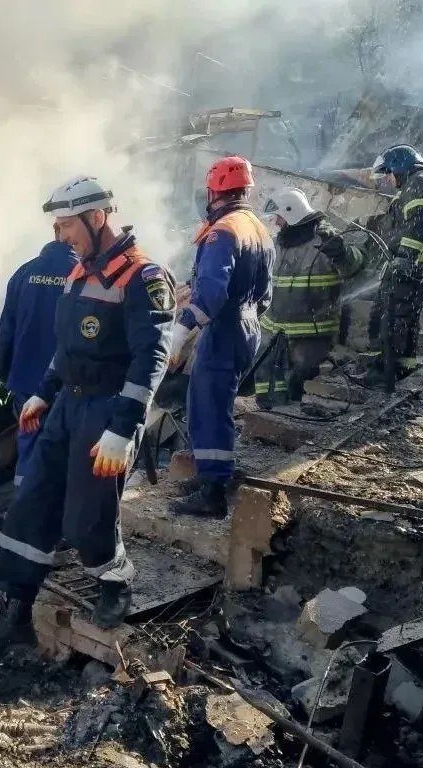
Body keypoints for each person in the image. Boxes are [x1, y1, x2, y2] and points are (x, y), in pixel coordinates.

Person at [0, 176, 176, 656]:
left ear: (96, 217)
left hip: (109, 411)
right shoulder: (79, 273)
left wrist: (123, 428)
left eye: (66, 226)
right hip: (67, 407)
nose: (62, 237)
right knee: (30, 505)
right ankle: (15, 614)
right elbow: (66, 347)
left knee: (86, 518)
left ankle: (115, 580)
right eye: (57, 228)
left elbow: (152, 359)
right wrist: (44, 393)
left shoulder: (144, 278)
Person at [167, 156, 274, 518]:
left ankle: (212, 492)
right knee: (214, 403)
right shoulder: (257, 228)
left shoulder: (223, 231)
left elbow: (212, 293)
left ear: (214, 191)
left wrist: (181, 332)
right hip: (247, 325)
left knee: (208, 408)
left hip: (225, 328)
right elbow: (265, 295)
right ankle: (211, 477)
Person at [254, 187, 364, 406]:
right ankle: (265, 411)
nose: (276, 223)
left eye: (279, 218)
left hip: (311, 333)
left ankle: (287, 414)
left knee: (297, 380)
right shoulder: (281, 242)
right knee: (264, 375)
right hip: (274, 330)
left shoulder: (326, 240)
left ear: (291, 213)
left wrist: (341, 253)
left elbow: (355, 266)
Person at [364, 145, 423, 386]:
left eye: (389, 174)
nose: (389, 181)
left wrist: (405, 257)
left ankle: (383, 372)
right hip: (419, 264)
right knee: (404, 317)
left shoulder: (420, 183)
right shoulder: (422, 183)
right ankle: (403, 367)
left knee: (387, 316)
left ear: (400, 167)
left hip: (413, 264)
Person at [0, 239, 77, 485]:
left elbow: (6, 330)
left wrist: (3, 376)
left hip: (25, 382)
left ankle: (24, 506)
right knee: (64, 447)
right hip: (66, 384)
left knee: (29, 445)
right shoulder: (83, 274)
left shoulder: (23, 273)